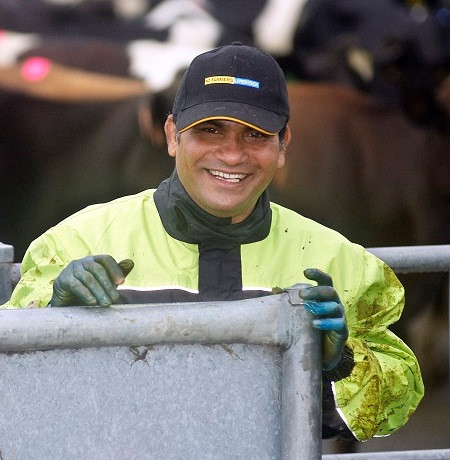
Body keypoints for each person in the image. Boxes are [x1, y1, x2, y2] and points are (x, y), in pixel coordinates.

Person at [3, 42, 423, 442]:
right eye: (210, 130)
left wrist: (339, 364)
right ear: (172, 135)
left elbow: (393, 410)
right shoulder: (75, 242)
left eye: (255, 135)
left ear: (283, 146)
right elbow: (11, 390)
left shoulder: (340, 262)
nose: (232, 154)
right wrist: (52, 321)